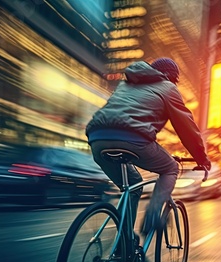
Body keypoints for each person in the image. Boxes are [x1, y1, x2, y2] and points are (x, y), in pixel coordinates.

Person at [86, 58, 211, 246]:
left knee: (133, 185)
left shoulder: (126, 83)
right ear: (171, 77)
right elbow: (186, 128)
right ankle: (152, 217)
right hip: (133, 138)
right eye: (175, 80)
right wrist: (202, 158)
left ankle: (124, 242)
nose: (173, 84)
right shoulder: (168, 88)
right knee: (169, 168)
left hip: (97, 139)